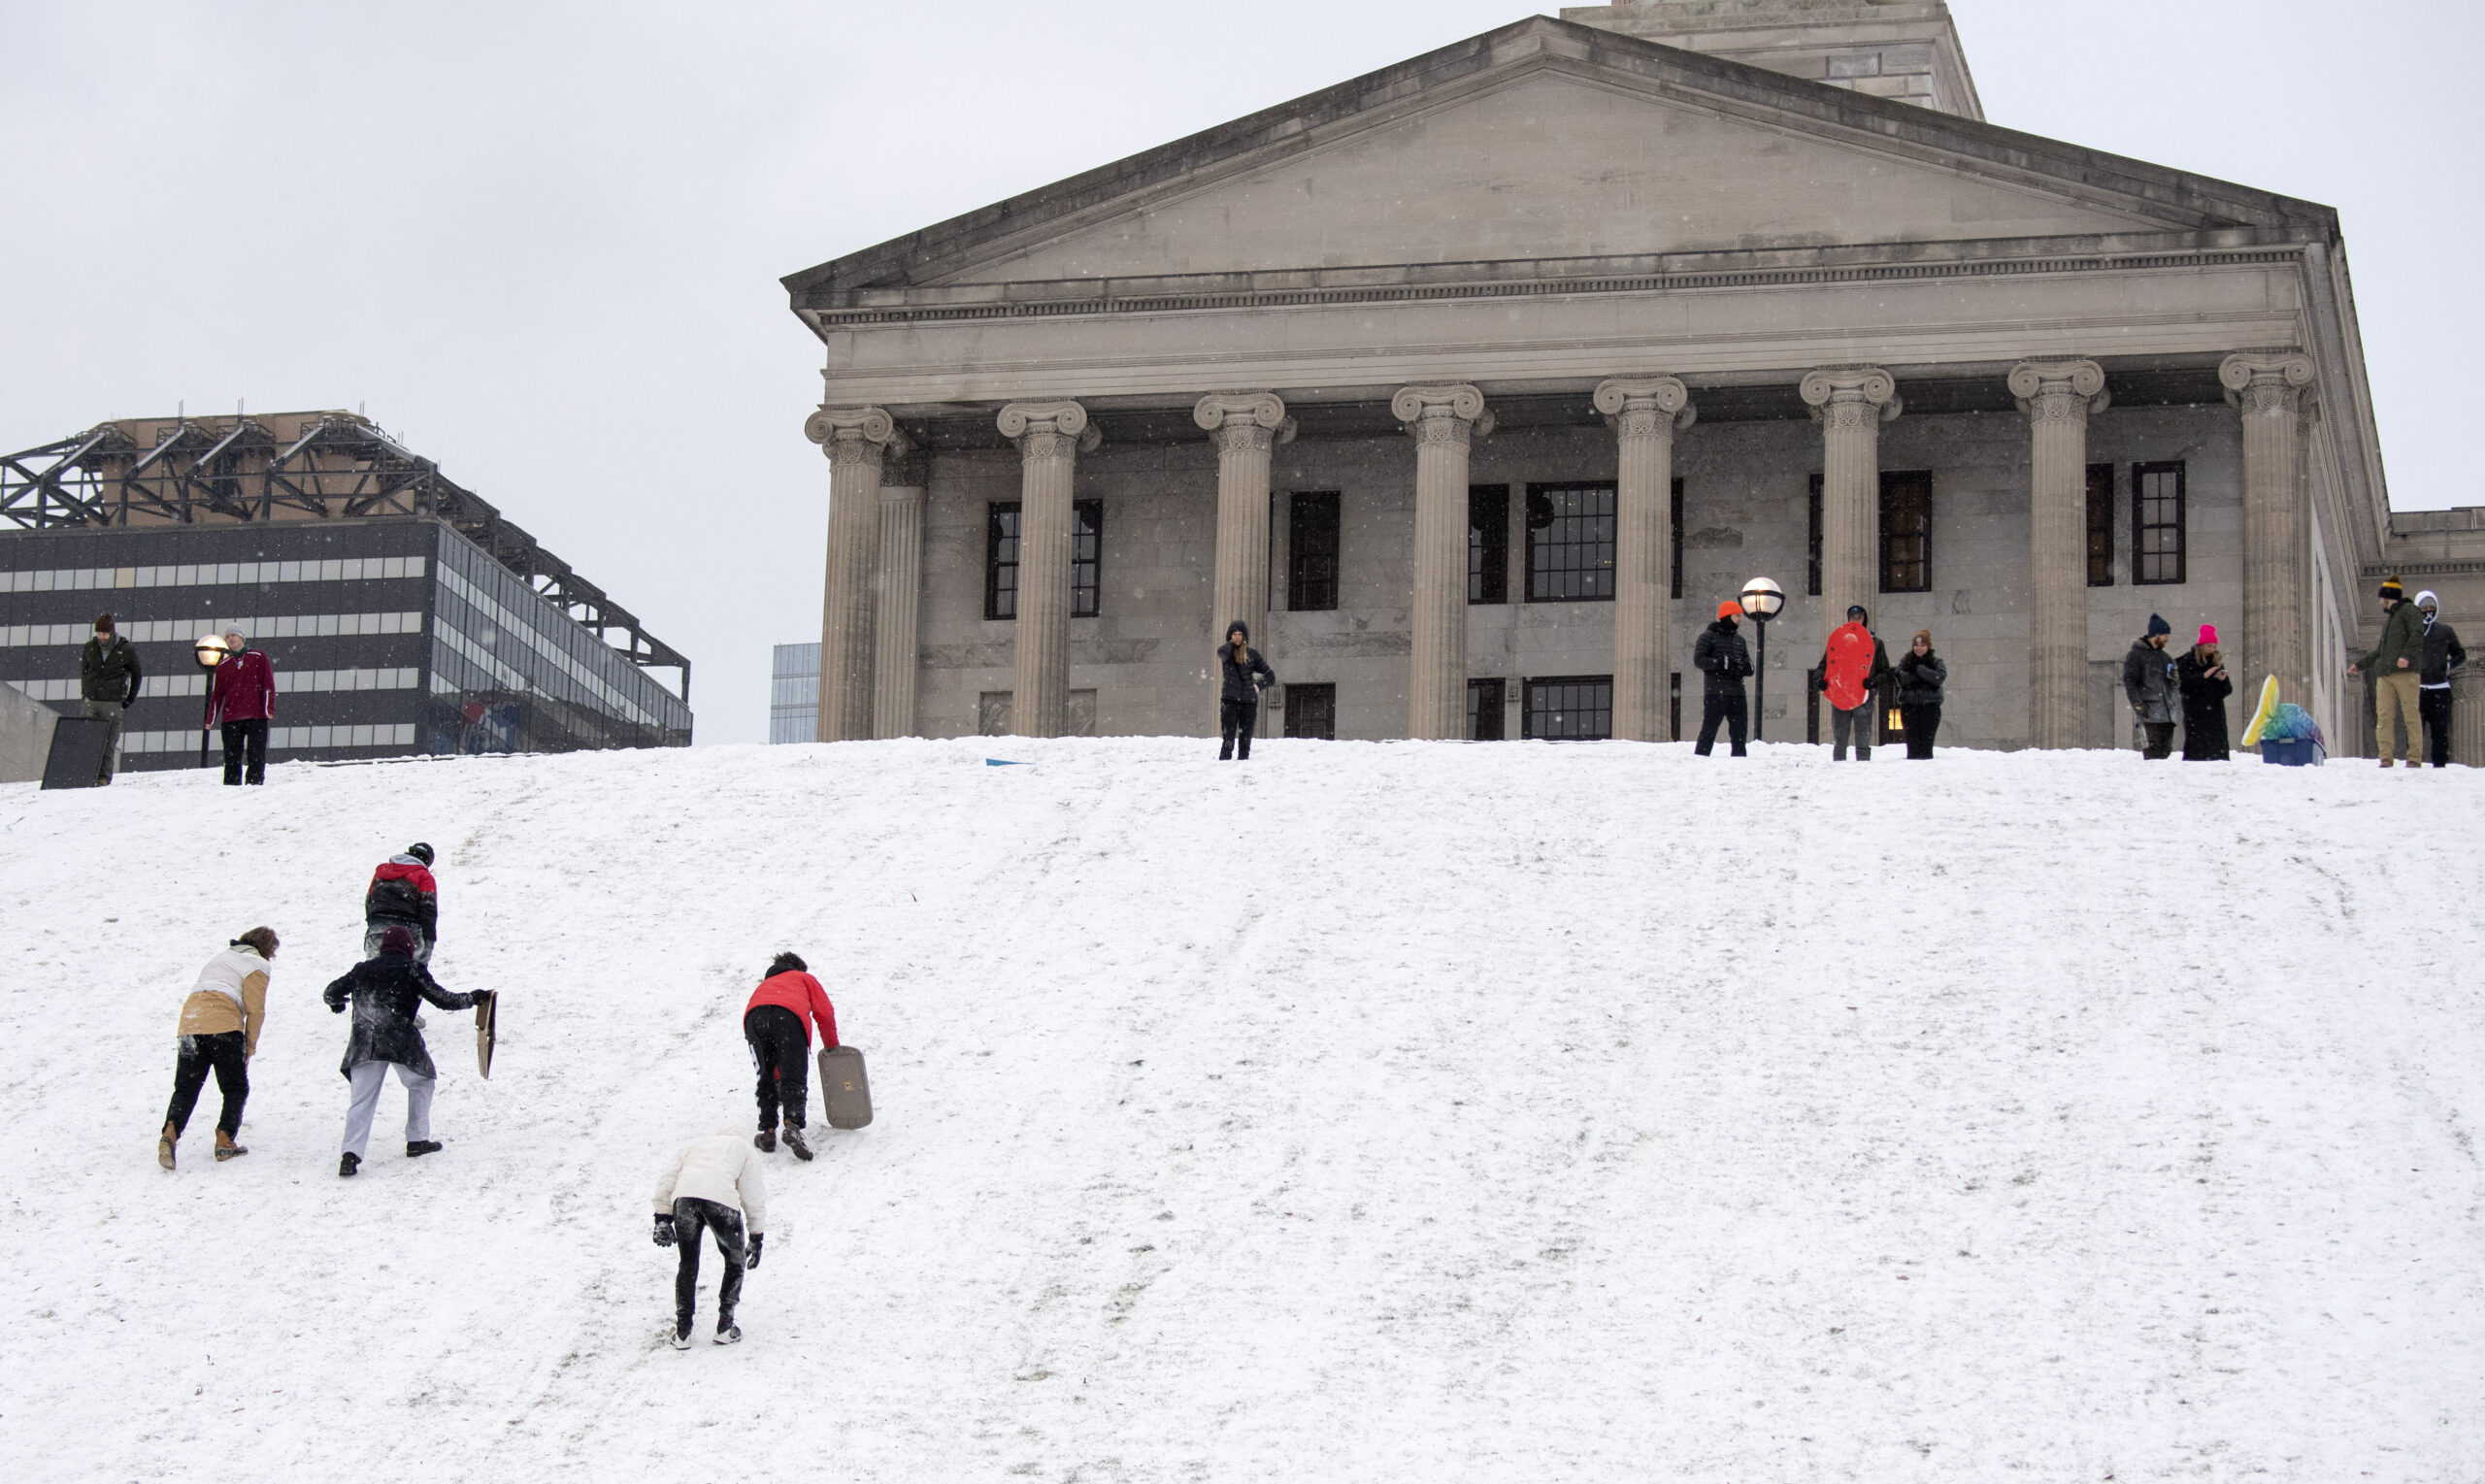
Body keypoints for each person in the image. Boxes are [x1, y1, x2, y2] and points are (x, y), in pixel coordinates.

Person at [322, 923, 491, 1177]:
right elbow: (443, 999)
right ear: (409, 948)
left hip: (364, 1040)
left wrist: (337, 1003)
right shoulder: (412, 969)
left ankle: (350, 1155)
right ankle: (417, 1139)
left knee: (362, 1100)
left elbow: (331, 992)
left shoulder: (363, 969)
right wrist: (473, 998)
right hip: (398, 1038)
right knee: (422, 1082)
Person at [157, 927, 277, 1171]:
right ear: (267, 950)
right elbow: (256, 1010)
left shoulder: (221, 957)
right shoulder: (257, 964)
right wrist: (249, 1047)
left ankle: (169, 1133)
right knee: (235, 1087)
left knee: (186, 1087)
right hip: (223, 1024)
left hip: (190, 1021)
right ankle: (224, 1140)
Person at [652, 1126, 770, 1348]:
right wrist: (756, 1236)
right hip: (720, 1201)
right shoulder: (744, 1149)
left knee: (687, 1263)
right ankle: (725, 1326)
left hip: (685, 1200)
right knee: (735, 1260)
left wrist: (662, 1218)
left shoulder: (695, 1145)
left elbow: (668, 1180)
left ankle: (683, 1332)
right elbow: (753, 1195)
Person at [745, 951, 840, 1161]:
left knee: (765, 1075)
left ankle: (768, 1132)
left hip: (754, 1018)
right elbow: (824, 1013)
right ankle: (792, 1125)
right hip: (788, 1016)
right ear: (798, 968)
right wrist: (832, 1046)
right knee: (793, 1074)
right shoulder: (804, 978)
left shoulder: (764, 985)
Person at [2349, 576, 2427, 768]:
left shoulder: (2410, 611)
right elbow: (2380, 651)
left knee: (2410, 716)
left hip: (2406, 673)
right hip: (2385, 674)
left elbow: (2417, 635)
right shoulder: (2389, 621)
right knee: (2383, 717)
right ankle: (2385, 758)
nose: (2379, 602)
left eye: (2381, 598)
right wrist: (2360, 665)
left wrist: (2406, 656)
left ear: (2387, 596)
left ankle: (2414, 759)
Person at [1816, 604, 1893, 761]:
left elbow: (1885, 672)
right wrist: (1821, 680)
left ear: (1864, 620)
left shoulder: (1875, 643)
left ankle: (1863, 770)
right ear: (1848, 619)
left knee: (1863, 739)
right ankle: (1838, 768)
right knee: (1840, 739)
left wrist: (1873, 682)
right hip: (1840, 695)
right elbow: (1824, 666)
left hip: (1863, 696)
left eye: (1859, 618)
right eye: (1853, 617)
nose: (1856, 620)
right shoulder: (1838, 641)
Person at [78, 611, 143, 784]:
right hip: (91, 700)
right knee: (87, 740)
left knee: (109, 742)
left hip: (113, 702)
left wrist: (129, 698)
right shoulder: (90, 647)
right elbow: (84, 671)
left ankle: (103, 777)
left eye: (104, 634)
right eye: (98, 633)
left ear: (111, 633)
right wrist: (86, 692)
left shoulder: (126, 649)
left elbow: (137, 674)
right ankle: (85, 774)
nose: (101, 637)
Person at [205, 629, 276, 785]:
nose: (231, 639)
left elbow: (268, 683)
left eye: (234, 636)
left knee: (256, 754)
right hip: (231, 719)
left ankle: (254, 785)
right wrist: (210, 718)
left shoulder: (257, 657)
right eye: (228, 637)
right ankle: (231, 788)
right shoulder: (223, 665)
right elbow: (217, 695)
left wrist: (268, 709)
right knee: (231, 757)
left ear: (242, 638)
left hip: (256, 716)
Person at [1691, 601, 1753, 757]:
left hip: (1738, 693)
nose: (1740, 619)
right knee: (1709, 729)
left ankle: (1739, 763)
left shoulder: (1740, 640)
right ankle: (1700, 760)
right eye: (1737, 615)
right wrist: (1721, 664)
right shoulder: (1708, 637)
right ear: (1727, 616)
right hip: (1715, 692)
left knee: (1740, 733)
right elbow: (1699, 660)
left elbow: (1749, 665)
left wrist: (1742, 668)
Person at [2415, 590, 2467, 769]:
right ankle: (2414, 763)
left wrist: (2448, 665)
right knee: (2415, 731)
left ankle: (2440, 766)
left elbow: (2460, 654)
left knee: (2440, 732)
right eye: (2424, 608)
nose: (2428, 611)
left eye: (2431, 608)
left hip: (2440, 689)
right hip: (2418, 689)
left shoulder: (2445, 631)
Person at [365, 842, 439, 963]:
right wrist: (429, 941)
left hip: (376, 930)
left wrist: (373, 924)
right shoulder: (424, 876)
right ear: (427, 861)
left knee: (375, 975)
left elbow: (369, 902)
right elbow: (428, 911)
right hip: (409, 934)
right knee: (410, 976)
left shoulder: (381, 872)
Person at [2122, 614, 2179, 759]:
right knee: (2153, 750)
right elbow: (2129, 681)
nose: (2167, 639)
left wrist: (2175, 678)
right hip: (2148, 710)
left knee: (2166, 750)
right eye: (2165, 635)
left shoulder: (2166, 657)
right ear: (2156, 635)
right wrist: (2137, 703)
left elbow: (2174, 685)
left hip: (2167, 712)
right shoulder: (2136, 655)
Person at [1216, 620, 1276, 761]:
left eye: (1240, 634)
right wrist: (1229, 642)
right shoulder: (1227, 653)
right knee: (1228, 742)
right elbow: (1221, 651)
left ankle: (1243, 770)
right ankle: (1223, 771)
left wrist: (1258, 686)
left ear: (1244, 636)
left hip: (1249, 703)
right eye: (1234, 634)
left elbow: (1271, 676)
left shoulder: (1253, 654)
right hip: (1230, 701)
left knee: (1245, 743)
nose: (1237, 637)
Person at [2177, 624, 2235, 761]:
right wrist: (2204, 676)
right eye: (2209, 646)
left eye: (2214, 646)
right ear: (2201, 645)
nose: (2212, 650)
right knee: (2198, 748)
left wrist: (2222, 680)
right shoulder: (2187, 661)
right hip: (2196, 712)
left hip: (2215, 712)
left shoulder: (2216, 662)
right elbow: (2184, 686)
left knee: (2217, 749)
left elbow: (2227, 690)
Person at [1893, 630, 1946, 759]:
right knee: (1912, 745)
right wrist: (1917, 675)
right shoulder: (1906, 661)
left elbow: (1939, 678)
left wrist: (1920, 670)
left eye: (1922, 645)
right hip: (1909, 707)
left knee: (1926, 746)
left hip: (1930, 708)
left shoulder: (1936, 662)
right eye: (1916, 645)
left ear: (1928, 646)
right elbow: (1900, 678)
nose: (1919, 648)